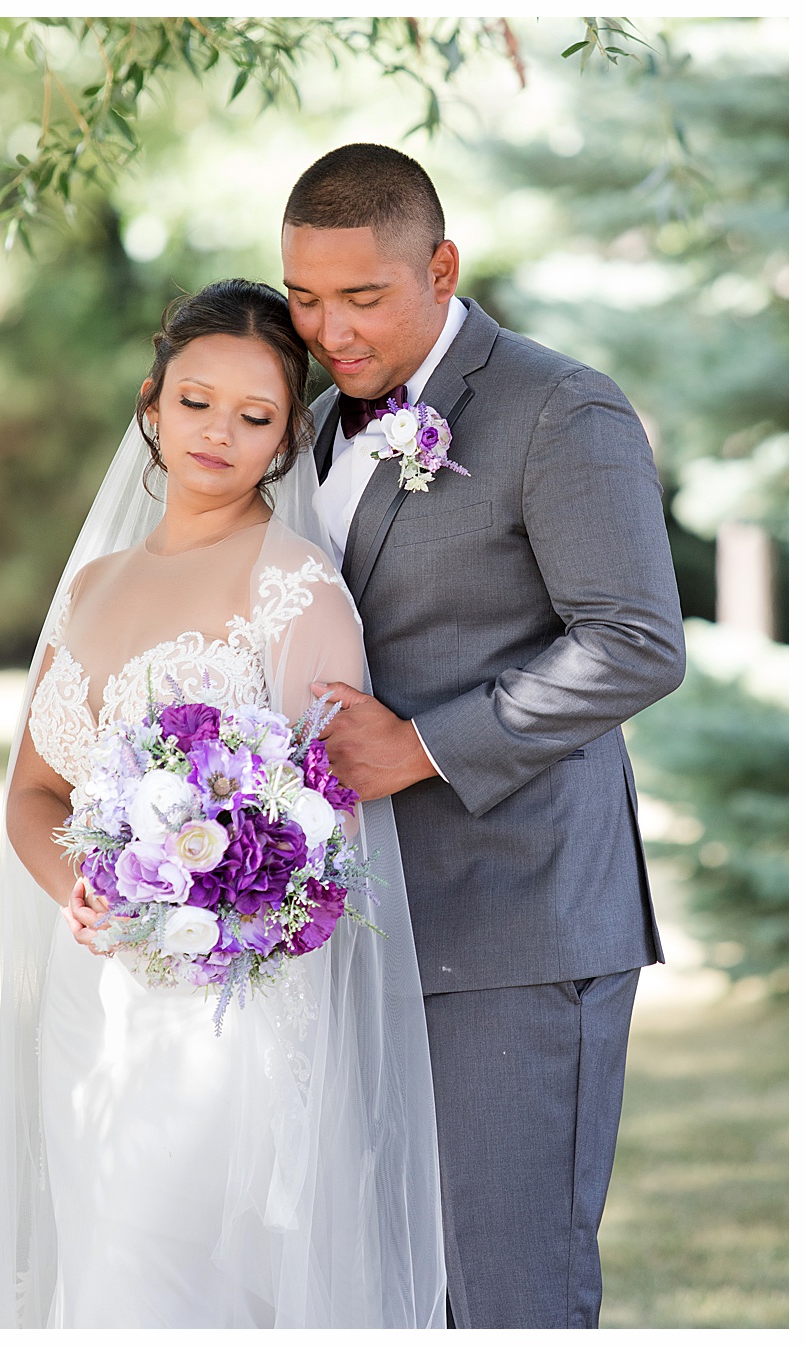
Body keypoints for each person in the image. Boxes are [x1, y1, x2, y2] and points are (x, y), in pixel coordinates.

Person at [0, 279, 446, 1328]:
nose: (219, 432)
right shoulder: (94, 585)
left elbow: (329, 824)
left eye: (255, 416)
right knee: (100, 1268)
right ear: (152, 403)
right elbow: (36, 788)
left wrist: (220, 901)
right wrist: (78, 885)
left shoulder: (293, 585)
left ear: (286, 437)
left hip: (225, 1020)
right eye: (195, 401)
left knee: (178, 1278)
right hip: (96, 1008)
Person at [279, 143, 685, 1329]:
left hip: (518, 917)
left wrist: (425, 745)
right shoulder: (310, 423)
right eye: (305, 297)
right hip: (357, 920)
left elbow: (635, 642)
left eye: (363, 297)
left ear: (442, 266)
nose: (329, 330)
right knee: (393, 1285)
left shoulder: (560, 407)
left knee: (509, 1290)